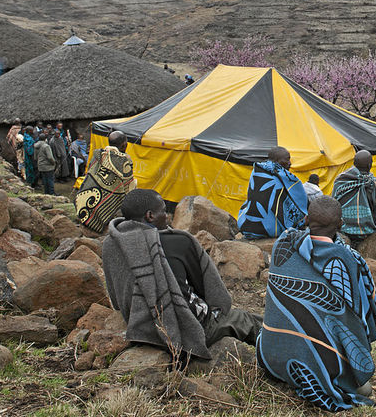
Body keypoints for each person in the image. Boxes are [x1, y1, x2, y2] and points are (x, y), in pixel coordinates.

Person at [102, 189, 261, 363]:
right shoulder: (177, 241)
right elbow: (207, 289)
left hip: (141, 328)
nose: (167, 216)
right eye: (163, 211)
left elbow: (115, 298)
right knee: (246, 320)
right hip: (181, 329)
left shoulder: (112, 243)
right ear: (150, 216)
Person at [257, 196, 376, 411]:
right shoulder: (346, 260)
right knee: (364, 388)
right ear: (341, 225)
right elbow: (361, 317)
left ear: (306, 219)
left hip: (270, 357)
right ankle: (330, 374)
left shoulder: (283, 244)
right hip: (317, 366)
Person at [238, 146, 309, 239]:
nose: (290, 163)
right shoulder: (279, 178)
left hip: (246, 225)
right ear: (277, 161)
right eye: (287, 160)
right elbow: (290, 208)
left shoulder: (256, 171)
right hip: (267, 229)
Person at [74, 130, 137, 233]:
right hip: (100, 209)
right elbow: (128, 187)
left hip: (81, 202)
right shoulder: (124, 160)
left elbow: (90, 173)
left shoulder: (98, 154)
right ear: (124, 144)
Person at [332, 150, 376, 248]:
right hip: (367, 231)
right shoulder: (374, 184)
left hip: (344, 229)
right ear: (370, 165)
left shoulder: (340, 180)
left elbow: (334, 203)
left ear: (354, 163)